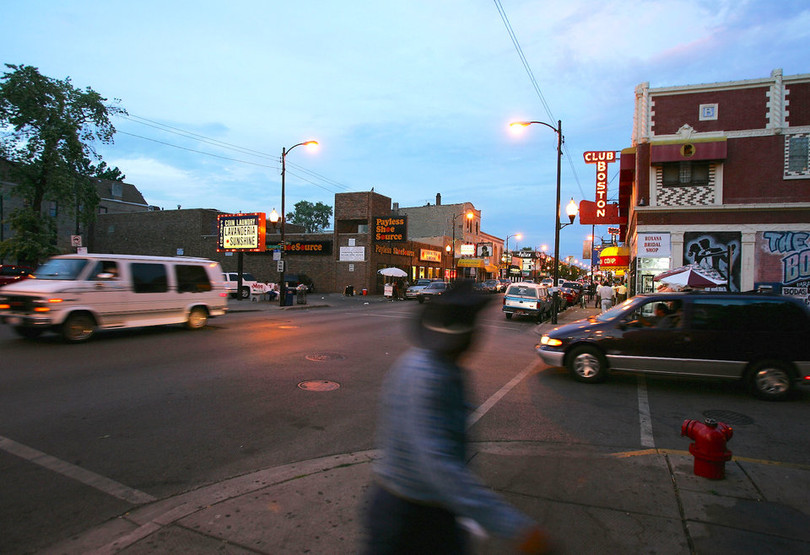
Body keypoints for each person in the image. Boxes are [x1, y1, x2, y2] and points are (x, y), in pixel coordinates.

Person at [364, 280, 552, 554]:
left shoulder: (436, 366)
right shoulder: (429, 375)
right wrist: (514, 527)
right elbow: (438, 465)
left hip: (426, 509)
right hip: (409, 516)